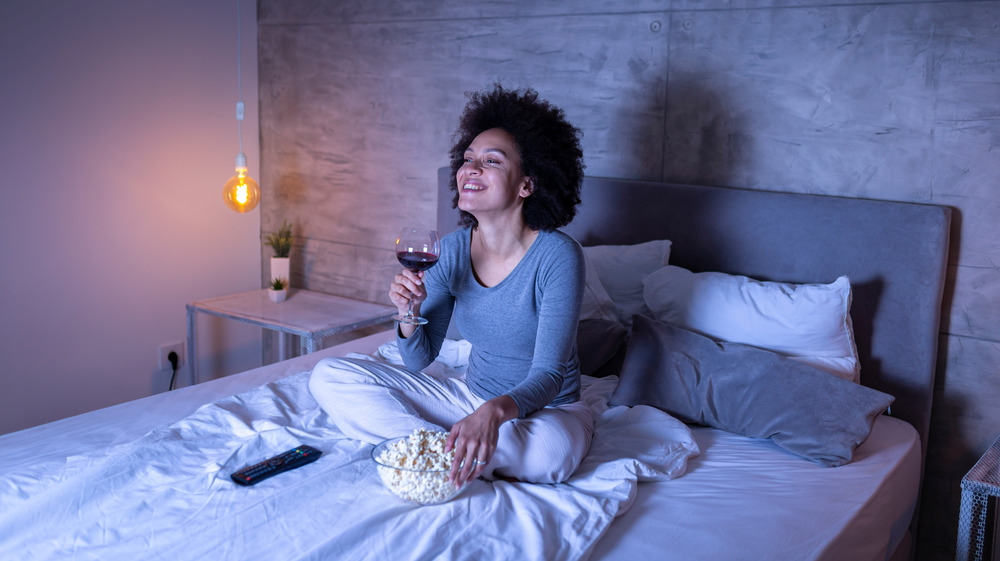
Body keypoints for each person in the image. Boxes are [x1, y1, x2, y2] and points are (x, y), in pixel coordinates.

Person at [308, 84, 591, 487]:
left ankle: (438, 448)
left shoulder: (558, 256)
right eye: (467, 158)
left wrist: (492, 414)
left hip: (546, 411)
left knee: (549, 458)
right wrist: (408, 314)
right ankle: (452, 447)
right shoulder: (452, 250)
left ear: (528, 184)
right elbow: (419, 360)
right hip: (469, 399)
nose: (469, 169)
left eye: (491, 161)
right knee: (328, 376)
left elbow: (548, 374)